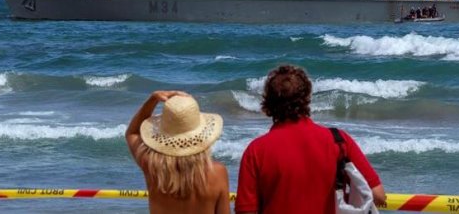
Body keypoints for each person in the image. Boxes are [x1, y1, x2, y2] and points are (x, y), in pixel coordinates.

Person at [235, 65, 386, 214]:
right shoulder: (339, 140)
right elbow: (378, 195)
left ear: (268, 103)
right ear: (307, 97)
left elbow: (246, 210)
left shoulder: (256, 150)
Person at [126, 91, 230, 214]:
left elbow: (132, 133)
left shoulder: (152, 167)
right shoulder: (217, 172)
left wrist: (153, 99)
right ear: (202, 137)